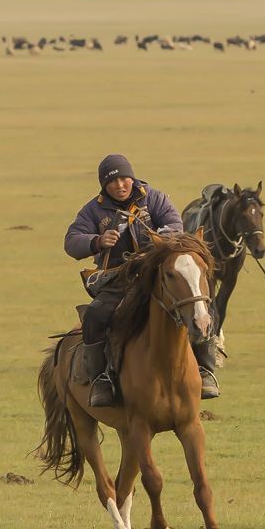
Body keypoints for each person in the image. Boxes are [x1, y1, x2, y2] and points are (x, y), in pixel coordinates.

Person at [64, 153, 218, 407]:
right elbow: (72, 241)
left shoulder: (153, 198)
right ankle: (100, 379)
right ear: (104, 185)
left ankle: (205, 371)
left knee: (200, 306)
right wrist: (98, 241)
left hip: (158, 274)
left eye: (124, 178)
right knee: (95, 315)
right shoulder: (93, 209)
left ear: (132, 178)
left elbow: (174, 223)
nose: (120, 185)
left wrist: (159, 239)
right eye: (112, 181)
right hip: (119, 278)